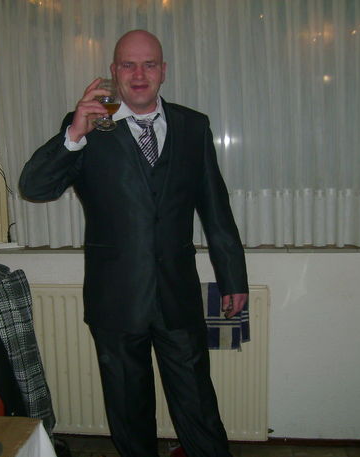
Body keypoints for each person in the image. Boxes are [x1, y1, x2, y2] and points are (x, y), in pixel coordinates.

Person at [19, 30, 249, 457]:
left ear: (163, 71)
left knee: (197, 403)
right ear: (113, 71)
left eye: (149, 64)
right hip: (116, 298)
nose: (139, 74)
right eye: (128, 64)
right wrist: (74, 133)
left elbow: (216, 209)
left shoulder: (193, 126)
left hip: (178, 294)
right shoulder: (88, 123)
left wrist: (234, 279)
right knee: (128, 408)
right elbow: (35, 187)